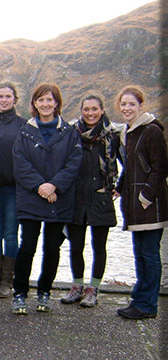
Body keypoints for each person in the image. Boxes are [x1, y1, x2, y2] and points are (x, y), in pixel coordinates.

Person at [11, 83, 82, 314]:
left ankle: (44, 291)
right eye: (40, 100)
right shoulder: (24, 131)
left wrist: (54, 186)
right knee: (27, 246)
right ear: (34, 103)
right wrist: (41, 186)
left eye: (49, 100)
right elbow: (20, 163)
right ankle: (20, 292)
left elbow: (73, 164)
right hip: (32, 197)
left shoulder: (70, 132)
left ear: (57, 103)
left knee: (52, 248)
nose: (45, 104)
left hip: (58, 199)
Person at [114, 85, 168, 320]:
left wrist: (146, 195)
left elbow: (160, 167)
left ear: (141, 106)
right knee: (140, 253)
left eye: (131, 104)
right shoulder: (128, 132)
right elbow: (130, 166)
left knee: (149, 254)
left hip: (150, 204)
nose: (127, 108)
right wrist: (119, 187)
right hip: (134, 204)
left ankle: (148, 305)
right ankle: (140, 299)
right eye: (123, 104)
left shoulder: (151, 131)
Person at [61, 94, 120, 308]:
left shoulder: (112, 135)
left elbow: (128, 163)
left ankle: (93, 289)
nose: (90, 113)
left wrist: (119, 187)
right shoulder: (71, 133)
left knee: (99, 246)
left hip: (101, 196)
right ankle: (77, 286)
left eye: (94, 109)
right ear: (81, 110)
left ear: (102, 110)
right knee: (76, 246)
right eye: (87, 109)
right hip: (76, 197)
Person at [0, 82, 26, 298]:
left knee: (11, 235)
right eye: (0, 96)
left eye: (8, 96)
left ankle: (7, 282)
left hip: (14, 189)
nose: (4, 99)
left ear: (15, 100)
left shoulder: (24, 125)